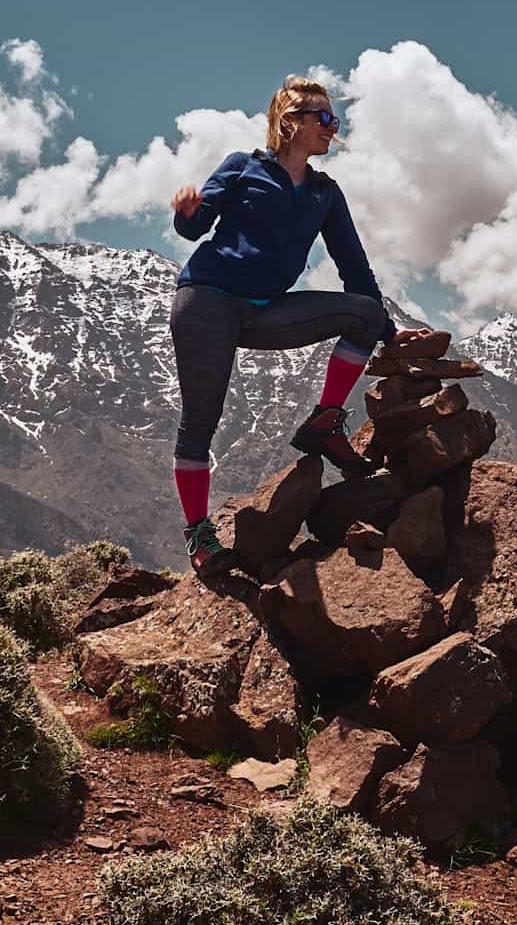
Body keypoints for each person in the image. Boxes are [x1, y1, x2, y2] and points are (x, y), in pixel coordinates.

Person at [168, 76, 431, 577]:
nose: (333, 129)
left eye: (336, 120)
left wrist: (390, 334)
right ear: (292, 123)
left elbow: (354, 265)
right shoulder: (244, 168)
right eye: (325, 119)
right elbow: (197, 226)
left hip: (265, 310)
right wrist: (188, 214)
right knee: (200, 421)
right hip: (206, 303)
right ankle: (200, 535)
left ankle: (325, 421)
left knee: (364, 312)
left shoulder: (324, 194)